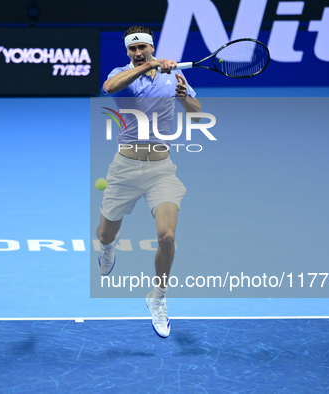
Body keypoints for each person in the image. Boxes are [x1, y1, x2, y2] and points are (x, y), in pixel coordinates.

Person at [98, 26, 201, 338]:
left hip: (161, 169)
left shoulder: (173, 77)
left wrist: (184, 99)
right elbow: (108, 87)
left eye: (142, 48)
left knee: (167, 237)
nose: (137, 53)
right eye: (132, 49)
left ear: (151, 46)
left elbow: (197, 114)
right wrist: (149, 65)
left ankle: (157, 297)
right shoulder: (123, 73)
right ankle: (107, 249)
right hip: (125, 169)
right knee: (105, 233)